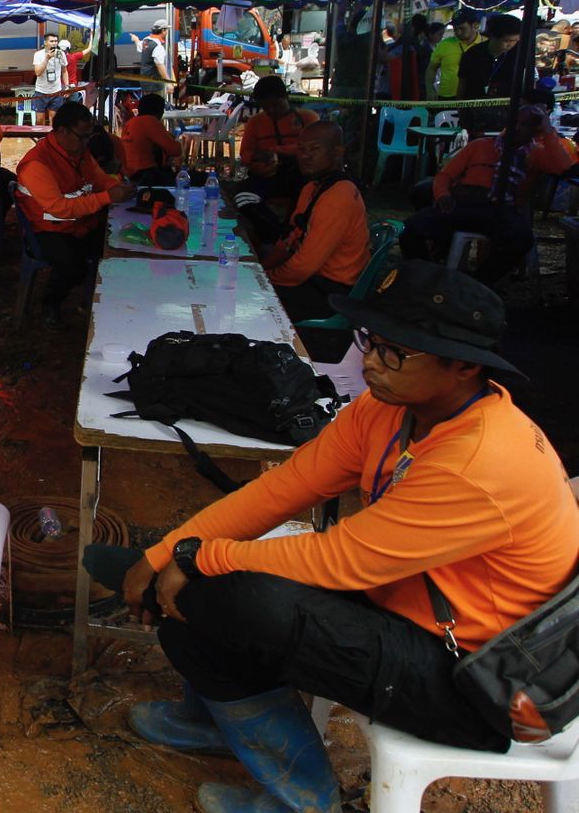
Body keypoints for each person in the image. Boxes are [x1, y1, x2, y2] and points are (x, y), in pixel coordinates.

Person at [103, 261, 579, 812]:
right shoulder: (388, 410)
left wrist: (195, 556)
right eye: (369, 342)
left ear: (461, 368)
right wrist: (165, 554)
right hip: (407, 606)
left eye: (394, 352)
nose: (370, 362)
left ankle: (303, 800)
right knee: (197, 589)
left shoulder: (478, 459)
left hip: (481, 677)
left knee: (232, 594)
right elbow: (283, 488)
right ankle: (211, 722)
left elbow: (341, 561)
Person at [399, 104, 574, 284]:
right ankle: (425, 278)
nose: (518, 129)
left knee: (521, 239)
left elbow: (564, 167)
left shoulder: (535, 154)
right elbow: (445, 175)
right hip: (464, 203)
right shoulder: (480, 145)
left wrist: (547, 130)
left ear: (534, 130)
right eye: (515, 123)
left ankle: (479, 284)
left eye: (526, 125)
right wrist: (443, 194)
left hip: (501, 210)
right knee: (410, 229)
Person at [256, 122, 370, 362]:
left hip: (332, 292)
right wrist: (261, 268)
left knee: (255, 301)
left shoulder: (337, 198)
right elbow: (290, 238)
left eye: (314, 148)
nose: (305, 156)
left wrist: (263, 281)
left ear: (337, 151)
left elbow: (302, 268)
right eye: (301, 148)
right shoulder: (312, 187)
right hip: (314, 278)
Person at [14, 102, 132, 327]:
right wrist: (107, 197)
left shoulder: (79, 151)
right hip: (47, 230)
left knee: (118, 244)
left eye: (89, 136)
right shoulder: (37, 163)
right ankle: (49, 304)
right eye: (83, 136)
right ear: (62, 132)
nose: (87, 142)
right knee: (73, 265)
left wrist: (118, 186)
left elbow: (98, 179)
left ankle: (98, 300)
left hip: (79, 223)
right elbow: (59, 208)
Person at [237, 75, 319, 202]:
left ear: (286, 97)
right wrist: (257, 158)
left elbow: (314, 148)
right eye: (266, 107)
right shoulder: (255, 122)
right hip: (267, 176)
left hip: (301, 175)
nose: (272, 110)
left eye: (276, 104)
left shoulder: (308, 118)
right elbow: (245, 153)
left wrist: (276, 151)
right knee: (242, 195)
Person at [118, 92, 181, 185]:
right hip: (145, 174)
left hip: (129, 173)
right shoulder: (149, 121)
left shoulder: (130, 123)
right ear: (159, 110)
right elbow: (175, 149)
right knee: (195, 179)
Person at [425, 11, 482, 100]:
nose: (458, 32)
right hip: (446, 98)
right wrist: (430, 90)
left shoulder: (486, 43)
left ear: (475, 26)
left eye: (462, 29)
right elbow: (431, 69)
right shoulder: (444, 45)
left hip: (476, 98)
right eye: (455, 29)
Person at [32, 31, 69, 117]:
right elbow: (38, 73)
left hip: (56, 91)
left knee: (54, 119)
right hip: (41, 91)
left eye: (56, 41)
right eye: (51, 41)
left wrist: (67, 86)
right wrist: (47, 59)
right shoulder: (38, 54)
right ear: (45, 42)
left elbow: (64, 71)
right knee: (40, 120)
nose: (54, 43)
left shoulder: (61, 54)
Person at [138, 20, 171, 91]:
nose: (167, 32)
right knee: (157, 101)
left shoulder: (146, 41)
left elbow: (139, 46)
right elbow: (159, 65)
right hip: (154, 84)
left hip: (145, 82)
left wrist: (136, 40)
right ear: (163, 30)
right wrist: (168, 83)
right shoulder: (157, 46)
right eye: (167, 30)